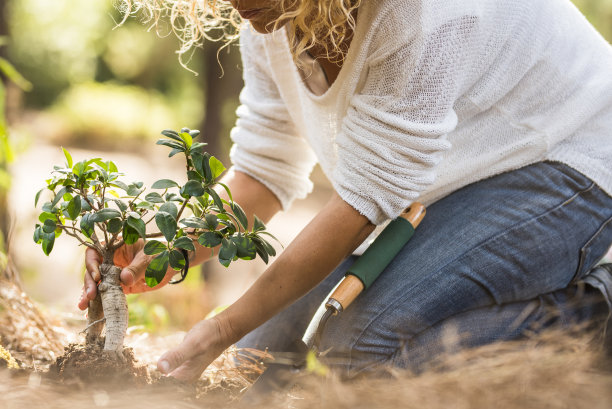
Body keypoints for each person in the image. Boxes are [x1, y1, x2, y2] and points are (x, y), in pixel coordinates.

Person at [80, 0, 612, 381]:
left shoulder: (421, 15)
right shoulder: (267, 19)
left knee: (358, 358)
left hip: (567, 159)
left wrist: (220, 328)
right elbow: (263, 172)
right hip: (444, 182)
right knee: (260, 369)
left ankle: (591, 314)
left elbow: (361, 204)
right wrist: (161, 251)